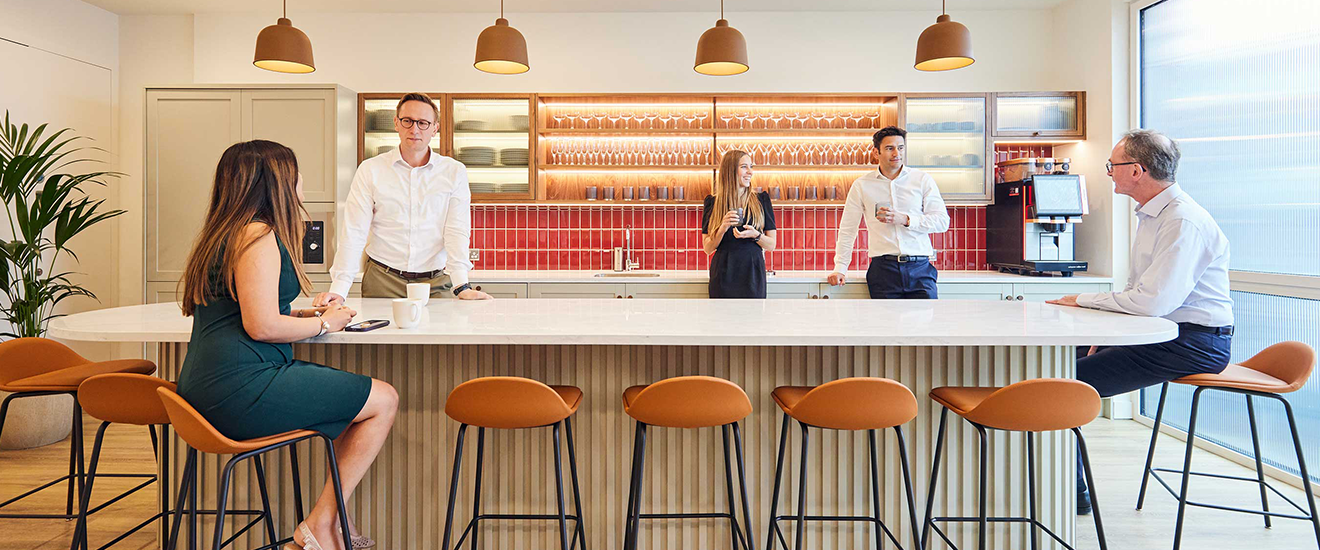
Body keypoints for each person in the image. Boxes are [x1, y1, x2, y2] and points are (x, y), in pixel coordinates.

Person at [177, 140, 398, 550]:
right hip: (240, 386)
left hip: (202, 385)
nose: (301, 184)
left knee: (358, 400)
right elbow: (260, 326)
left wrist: (302, 316)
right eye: (294, 175)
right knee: (383, 399)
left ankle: (327, 525)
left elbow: (244, 310)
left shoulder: (223, 232)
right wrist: (323, 325)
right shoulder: (258, 234)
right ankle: (321, 525)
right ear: (274, 183)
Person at [1048, 129, 1233, 515]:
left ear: (1137, 170)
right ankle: (1056, 480)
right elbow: (1144, 298)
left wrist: (1084, 299)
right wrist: (1109, 332)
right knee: (1053, 366)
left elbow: (1152, 302)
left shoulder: (1183, 221)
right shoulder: (1155, 215)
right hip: (1162, 334)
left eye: (1112, 166)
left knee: (1063, 388)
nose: (1109, 173)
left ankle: (1071, 494)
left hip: (1193, 343)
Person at [315, 92, 490, 307]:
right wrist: (339, 290)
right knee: (380, 340)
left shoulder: (454, 172)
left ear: (435, 128)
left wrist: (462, 285)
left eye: (423, 123)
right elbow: (354, 231)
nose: (414, 129)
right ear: (396, 123)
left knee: (440, 340)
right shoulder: (370, 170)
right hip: (382, 279)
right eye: (407, 121)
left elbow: (456, 230)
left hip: (435, 282)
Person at [827, 126, 950, 298]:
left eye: (900, 148)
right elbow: (848, 229)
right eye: (889, 148)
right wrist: (840, 268)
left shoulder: (922, 180)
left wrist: (906, 219)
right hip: (883, 271)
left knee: (925, 324)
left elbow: (942, 222)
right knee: (884, 324)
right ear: (876, 153)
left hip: (920, 269)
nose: (896, 154)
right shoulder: (862, 185)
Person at [702, 150, 777, 298]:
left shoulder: (762, 200)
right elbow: (708, 248)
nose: (750, 172)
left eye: (751, 166)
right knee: (721, 320)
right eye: (744, 167)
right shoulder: (713, 202)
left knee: (753, 319)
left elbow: (771, 245)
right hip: (723, 274)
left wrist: (755, 235)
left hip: (753, 274)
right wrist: (722, 228)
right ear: (730, 171)